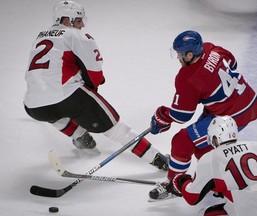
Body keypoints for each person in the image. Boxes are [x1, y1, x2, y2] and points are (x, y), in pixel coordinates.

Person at [23, 0, 168, 171]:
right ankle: (158, 159)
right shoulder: (76, 36)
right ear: (66, 20)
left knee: (53, 111)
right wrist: (91, 104)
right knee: (116, 128)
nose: (82, 24)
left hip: (33, 106)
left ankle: (81, 137)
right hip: (70, 97)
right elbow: (94, 74)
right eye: (78, 20)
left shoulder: (41, 35)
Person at [149, 30, 257, 199]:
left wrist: (162, 116)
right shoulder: (211, 49)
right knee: (203, 146)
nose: (179, 58)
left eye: (180, 55)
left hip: (231, 115)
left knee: (182, 141)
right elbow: (232, 61)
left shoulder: (187, 77)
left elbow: (182, 115)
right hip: (248, 100)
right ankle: (215, 179)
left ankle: (173, 184)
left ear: (189, 54)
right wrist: (211, 90)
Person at [166, 116, 257, 216]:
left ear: (214, 138)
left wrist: (180, 182)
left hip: (248, 212)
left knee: (203, 213)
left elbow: (192, 197)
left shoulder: (211, 157)